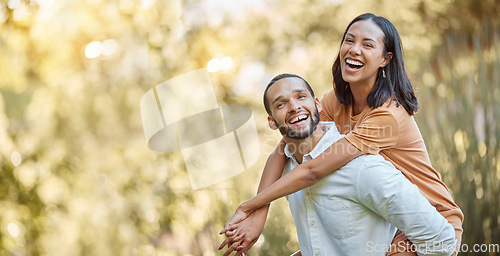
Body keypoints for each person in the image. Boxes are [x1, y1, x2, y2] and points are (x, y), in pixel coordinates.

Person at [220, 13, 463, 256]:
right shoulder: (336, 100)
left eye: (367, 44)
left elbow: (313, 171)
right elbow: (282, 151)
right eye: (349, 40)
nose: (354, 49)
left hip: (432, 222)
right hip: (388, 219)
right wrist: (258, 215)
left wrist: (247, 207)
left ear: (385, 59)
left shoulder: (387, 115)